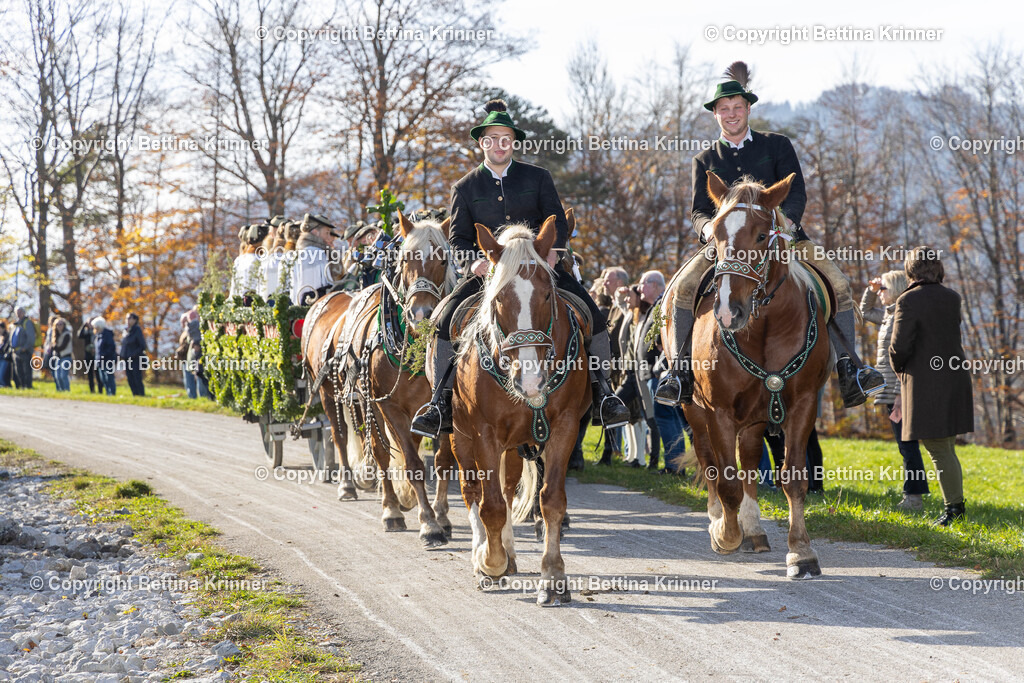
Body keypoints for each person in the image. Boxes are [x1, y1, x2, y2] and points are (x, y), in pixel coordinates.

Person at [656, 61, 884, 409]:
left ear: (748, 109)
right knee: (683, 289)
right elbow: (699, 210)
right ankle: (679, 374)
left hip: (784, 240)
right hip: (726, 246)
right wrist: (708, 230)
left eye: (736, 108)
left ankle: (849, 368)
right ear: (715, 115)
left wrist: (787, 226)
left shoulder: (776, 146)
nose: (731, 114)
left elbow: (796, 193)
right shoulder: (704, 159)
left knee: (838, 284)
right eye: (723, 109)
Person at [411, 99, 629, 438]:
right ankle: (439, 401)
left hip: (539, 269)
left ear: (514, 142)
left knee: (593, 315)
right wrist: (475, 262)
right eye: (492, 138)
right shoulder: (465, 188)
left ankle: (604, 393)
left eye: (505, 139)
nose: (499, 145)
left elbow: (556, 222)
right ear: (481, 143)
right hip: (492, 275)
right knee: (443, 320)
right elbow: (459, 240)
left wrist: (554, 253)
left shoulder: (538, 177)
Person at [889, 247, 973, 526]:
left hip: (926, 381)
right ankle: (955, 506)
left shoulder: (908, 300)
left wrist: (898, 367)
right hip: (953, 376)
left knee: (937, 448)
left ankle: (954, 510)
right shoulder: (952, 297)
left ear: (910, 270)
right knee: (946, 446)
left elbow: (899, 347)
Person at [861, 269, 929, 510]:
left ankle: (914, 498)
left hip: (901, 390)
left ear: (898, 288)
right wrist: (871, 291)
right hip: (891, 390)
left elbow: (909, 355)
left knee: (907, 442)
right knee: (904, 443)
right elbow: (865, 312)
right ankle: (914, 494)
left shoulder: (904, 315)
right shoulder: (889, 314)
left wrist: (901, 391)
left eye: (884, 289)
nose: (881, 294)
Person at [638, 271, 687, 475]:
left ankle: (676, 466)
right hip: (655, 373)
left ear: (657, 285)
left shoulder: (664, 303)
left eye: (644, 283)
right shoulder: (657, 304)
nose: (640, 287)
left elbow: (668, 335)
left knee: (670, 417)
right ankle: (678, 465)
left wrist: (660, 346)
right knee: (673, 419)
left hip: (663, 372)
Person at [597, 267, 629, 465]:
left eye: (608, 280)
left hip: (623, 366)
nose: (604, 284)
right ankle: (609, 453)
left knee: (624, 411)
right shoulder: (613, 307)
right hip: (611, 366)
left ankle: (614, 452)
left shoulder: (625, 304)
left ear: (619, 282)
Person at [291, 214, 342, 306]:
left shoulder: (305, 250)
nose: (328, 236)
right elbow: (317, 284)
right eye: (326, 233)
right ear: (315, 232)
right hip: (314, 301)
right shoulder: (314, 252)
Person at [230, 223, 267, 299]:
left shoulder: (239, 260)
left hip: (239, 301)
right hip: (254, 303)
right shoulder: (261, 260)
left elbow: (233, 287)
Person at [120, 312, 147, 396]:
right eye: (126, 318)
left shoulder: (137, 330)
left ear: (135, 320)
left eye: (129, 318)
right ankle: (135, 394)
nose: (127, 320)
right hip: (127, 359)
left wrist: (133, 354)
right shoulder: (126, 331)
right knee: (130, 378)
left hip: (135, 359)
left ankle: (141, 394)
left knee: (137, 378)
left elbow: (142, 345)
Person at [10, 307, 36, 389]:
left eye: (20, 312)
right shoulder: (16, 324)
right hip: (16, 352)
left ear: (24, 313)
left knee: (26, 371)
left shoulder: (27, 322)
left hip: (25, 351)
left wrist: (25, 348)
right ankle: (22, 387)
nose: (18, 314)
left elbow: (31, 338)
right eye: (17, 312)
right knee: (19, 371)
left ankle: (28, 387)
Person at [93, 317, 117, 395]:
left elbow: (111, 347)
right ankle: (108, 392)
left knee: (109, 377)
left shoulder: (107, 335)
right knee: (103, 378)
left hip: (107, 360)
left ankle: (112, 393)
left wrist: (103, 355)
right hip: (100, 361)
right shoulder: (98, 336)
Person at [50, 317, 72, 392]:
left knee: (63, 376)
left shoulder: (67, 334)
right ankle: (60, 391)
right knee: (57, 376)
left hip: (66, 357)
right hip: (57, 357)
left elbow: (63, 346)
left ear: (64, 325)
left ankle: (66, 390)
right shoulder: (55, 335)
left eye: (61, 324)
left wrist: (54, 347)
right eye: (57, 324)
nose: (59, 326)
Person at [77, 319, 97, 393]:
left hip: (96, 355)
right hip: (88, 355)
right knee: (90, 374)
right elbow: (79, 335)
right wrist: (84, 325)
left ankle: (100, 389)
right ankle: (92, 390)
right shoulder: (86, 333)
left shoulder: (96, 332)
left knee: (97, 373)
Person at [0, 321, 12, 388]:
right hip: (1, 356)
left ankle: (4, 384)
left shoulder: (7, 336)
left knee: (2, 373)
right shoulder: (1, 336)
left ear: (3, 328)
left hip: (4, 357)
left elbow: (6, 347)